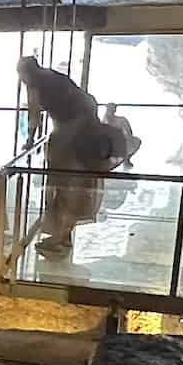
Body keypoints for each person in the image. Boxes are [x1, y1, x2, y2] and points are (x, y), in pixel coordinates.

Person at [17, 56, 123, 253]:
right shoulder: (52, 75)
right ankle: (64, 235)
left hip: (73, 132)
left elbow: (34, 116)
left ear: (25, 73)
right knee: (77, 184)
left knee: (62, 185)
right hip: (87, 128)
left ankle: (58, 236)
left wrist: (31, 140)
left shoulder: (36, 84)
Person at [103, 103, 141, 169]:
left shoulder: (121, 120)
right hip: (109, 144)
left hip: (121, 142)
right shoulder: (104, 121)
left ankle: (126, 159)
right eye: (108, 109)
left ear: (114, 110)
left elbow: (129, 132)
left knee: (136, 141)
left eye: (112, 109)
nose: (110, 111)